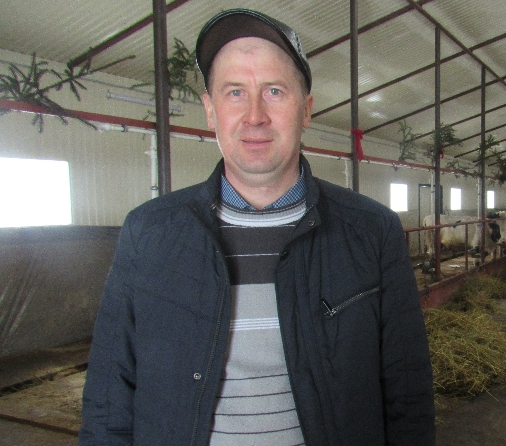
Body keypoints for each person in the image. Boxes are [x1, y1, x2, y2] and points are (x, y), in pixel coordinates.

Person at [79, 8, 435, 446]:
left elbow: (407, 393)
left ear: (306, 109)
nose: (254, 115)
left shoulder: (372, 231)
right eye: (234, 92)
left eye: (274, 91)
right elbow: (109, 397)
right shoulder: (148, 233)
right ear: (210, 111)